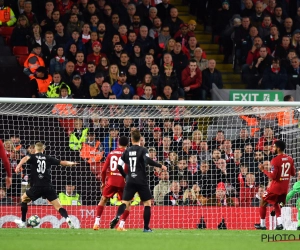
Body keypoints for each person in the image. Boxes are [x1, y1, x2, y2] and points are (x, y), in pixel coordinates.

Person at [109, 130, 167, 232]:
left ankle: (117, 216)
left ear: (131, 140)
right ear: (140, 139)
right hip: (141, 180)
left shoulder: (127, 150)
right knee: (147, 203)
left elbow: (119, 166)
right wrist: (160, 165)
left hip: (130, 179)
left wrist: (125, 176)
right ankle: (146, 228)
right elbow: (147, 160)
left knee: (125, 202)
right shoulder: (143, 150)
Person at [14, 142, 77, 228]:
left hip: (37, 186)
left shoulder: (32, 157)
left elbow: (25, 158)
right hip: (48, 187)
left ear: (35, 149)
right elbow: (62, 163)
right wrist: (71, 163)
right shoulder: (48, 158)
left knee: (23, 199)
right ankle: (67, 219)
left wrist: (18, 166)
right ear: (43, 149)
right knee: (58, 206)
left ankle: (23, 222)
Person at [255, 140, 296, 230]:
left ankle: (262, 225)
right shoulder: (290, 159)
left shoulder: (275, 160)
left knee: (263, 201)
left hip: (275, 187)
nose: (272, 148)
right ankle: (280, 224)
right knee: (276, 203)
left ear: (278, 148)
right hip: (285, 188)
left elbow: (273, 176)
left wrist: (263, 170)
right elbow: (293, 173)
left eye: (274, 147)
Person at [93, 136, 130, 231]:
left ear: (118, 143)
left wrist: (103, 183)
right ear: (127, 144)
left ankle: (96, 223)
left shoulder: (111, 153)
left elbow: (104, 170)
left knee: (103, 200)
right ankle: (121, 225)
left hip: (111, 181)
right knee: (127, 203)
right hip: (123, 182)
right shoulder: (128, 154)